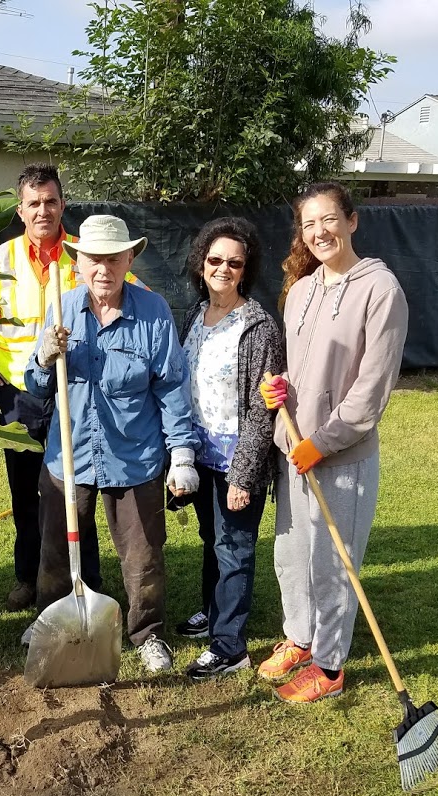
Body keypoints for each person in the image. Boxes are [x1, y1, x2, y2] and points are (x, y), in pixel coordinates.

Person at [24, 215, 200, 675]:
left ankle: (147, 633)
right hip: (71, 455)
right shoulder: (61, 309)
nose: (103, 268)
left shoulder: (153, 312)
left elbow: (172, 386)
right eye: (94, 259)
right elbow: (36, 385)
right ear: (78, 262)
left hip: (134, 458)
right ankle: (55, 621)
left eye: (113, 258)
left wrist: (181, 453)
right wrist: (44, 358)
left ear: (129, 259)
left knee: (142, 556)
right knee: (57, 552)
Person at [258, 181, 409, 703]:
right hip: (294, 450)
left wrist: (322, 442)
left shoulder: (380, 290)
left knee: (333, 565)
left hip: (340, 456)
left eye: (328, 220)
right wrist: (280, 388)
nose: (319, 232)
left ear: (351, 222)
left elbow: (371, 390)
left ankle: (328, 667)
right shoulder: (301, 289)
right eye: (309, 224)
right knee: (291, 555)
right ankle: (300, 638)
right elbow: (299, 365)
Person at [0, 164, 112, 611]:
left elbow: (125, 297)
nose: (43, 210)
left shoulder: (84, 255)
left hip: (76, 390)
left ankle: (88, 578)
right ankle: (29, 578)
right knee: (26, 490)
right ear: (21, 210)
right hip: (20, 396)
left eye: (50, 201)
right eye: (33, 203)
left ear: (62, 204)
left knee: (77, 488)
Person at [176, 217, 285, 680]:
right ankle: (212, 611)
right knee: (211, 539)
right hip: (200, 454)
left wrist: (244, 473)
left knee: (235, 546)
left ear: (246, 270)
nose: (223, 268)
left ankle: (230, 646)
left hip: (238, 457)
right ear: (201, 263)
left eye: (234, 263)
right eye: (215, 259)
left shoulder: (258, 327)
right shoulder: (195, 315)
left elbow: (264, 410)